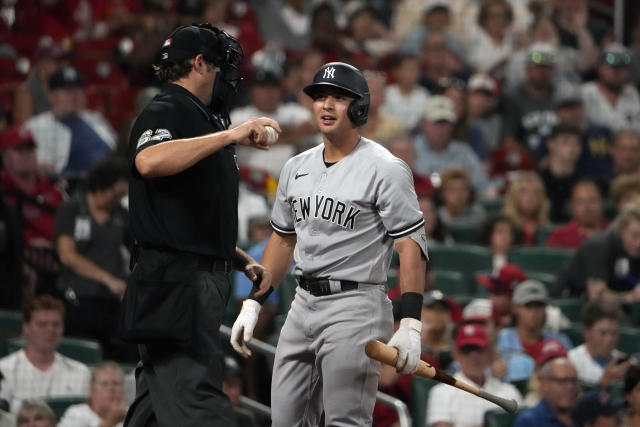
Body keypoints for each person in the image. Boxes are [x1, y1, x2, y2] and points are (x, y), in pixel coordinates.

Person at [230, 62, 428, 426]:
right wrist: (254, 302)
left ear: (360, 108)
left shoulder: (385, 167)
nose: (326, 105)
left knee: (344, 422)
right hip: (302, 301)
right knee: (285, 421)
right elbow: (283, 240)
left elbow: (410, 247)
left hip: (356, 305)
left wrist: (411, 323)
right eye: (320, 96)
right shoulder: (295, 166)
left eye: (338, 97)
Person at [121, 23, 281, 426]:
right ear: (198, 63)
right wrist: (229, 136)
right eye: (220, 66)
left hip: (190, 274)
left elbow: (185, 212)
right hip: (177, 281)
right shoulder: (169, 108)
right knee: (197, 402)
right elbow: (149, 161)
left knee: (155, 407)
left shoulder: (202, 118)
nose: (227, 78)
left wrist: (237, 256)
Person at [54, 157, 131, 360]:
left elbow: (137, 250)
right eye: (115, 194)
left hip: (111, 303)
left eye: (122, 195)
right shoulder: (72, 210)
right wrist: (108, 279)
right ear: (101, 184)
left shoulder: (122, 216)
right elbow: (67, 255)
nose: (117, 200)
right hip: (77, 298)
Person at [0, 295, 91, 413]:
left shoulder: (80, 372)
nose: (50, 330)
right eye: (42, 324)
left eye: (56, 325)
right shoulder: (4, 370)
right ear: (26, 328)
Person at [25, 65, 117, 178]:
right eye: (67, 90)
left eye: (77, 89)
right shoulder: (36, 126)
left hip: (114, 178)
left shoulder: (95, 118)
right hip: (76, 185)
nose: (74, 95)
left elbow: (117, 148)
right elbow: (42, 167)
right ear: (51, 95)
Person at [426, 323, 522, 427]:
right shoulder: (442, 392)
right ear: (455, 354)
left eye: (478, 349)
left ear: (490, 353)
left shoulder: (509, 392)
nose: (473, 356)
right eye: (466, 350)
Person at [558, 199, 640, 301]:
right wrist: (632, 297)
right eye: (634, 235)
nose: (638, 243)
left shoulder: (634, 250)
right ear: (622, 229)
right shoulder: (598, 246)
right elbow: (597, 297)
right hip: (574, 306)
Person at [413, 95, 493, 197]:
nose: (441, 128)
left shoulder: (463, 151)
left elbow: (483, 185)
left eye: (446, 122)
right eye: (437, 122)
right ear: (424, 122)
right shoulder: (410, 149)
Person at [496, 280, 572, 382]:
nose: (534, 312)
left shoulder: (560, 341)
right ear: (515, 308)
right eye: (528, 306)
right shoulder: (500, 339)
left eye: (539, 306)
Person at [568, 300, 632, 386]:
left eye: (614, 333)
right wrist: (605, 382)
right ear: (587, 332)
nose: (609, 339)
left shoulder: (626, 364)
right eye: (603, 333)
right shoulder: (571, 362)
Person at [582, 43, 640, 133]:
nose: (617, 72)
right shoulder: (585, 92)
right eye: (612, 67)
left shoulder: (632, 93)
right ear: (598, 68)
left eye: (622, 68)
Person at [513, 357, 579, 427]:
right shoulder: (529, 422)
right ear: (544, 384)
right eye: (562, 381)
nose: (570, 387)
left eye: (573, 381)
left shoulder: (584, 415)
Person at [58, 361, 127, 427]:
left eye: (116, 383)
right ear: (92, 390)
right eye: (104, 384)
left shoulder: (132, 414)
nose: (111, 389)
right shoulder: (76, 414)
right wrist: (110, 422)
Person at [546, 178, 608, 249]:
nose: (587, 207)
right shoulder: (559, 237)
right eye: (580, 202)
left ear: (602, 202)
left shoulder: (615, 234)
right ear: (572, 206)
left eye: (592, 200)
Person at [503, 171, 551, 245]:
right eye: (524, 192)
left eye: (536, 192)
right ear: (514, 196)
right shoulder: (504, 229)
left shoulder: (548, 229)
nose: (530, 198)